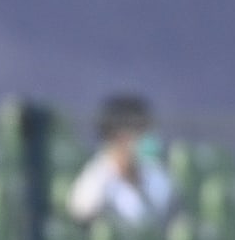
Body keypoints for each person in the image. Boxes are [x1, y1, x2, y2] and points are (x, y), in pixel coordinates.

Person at [66, 93, 176, 228]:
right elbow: (81, 210)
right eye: (139, 130)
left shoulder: (155, 172)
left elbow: (168, 217)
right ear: (118, 137)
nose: (146, 137)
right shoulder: (96, 177)